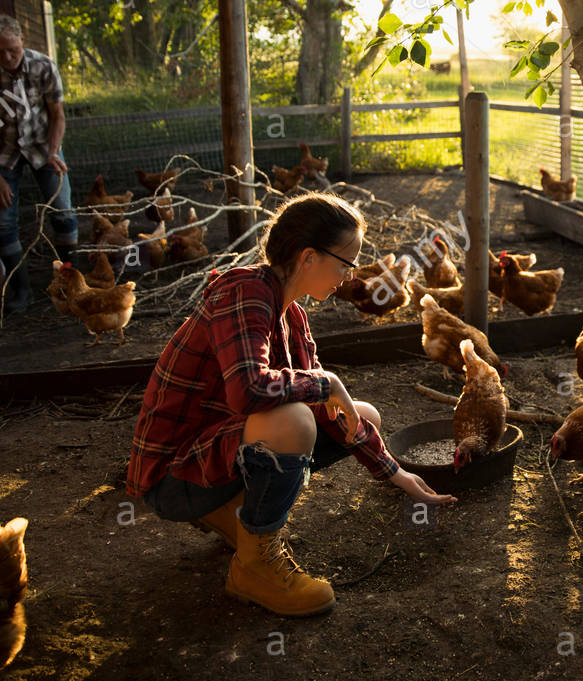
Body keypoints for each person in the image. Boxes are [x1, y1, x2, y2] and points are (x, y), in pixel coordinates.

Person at [126, 192, 454, 617]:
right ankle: (255, 567)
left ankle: (234, 512)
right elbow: (249, 390)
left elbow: (327, 409)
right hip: (174, 477)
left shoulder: (291, 315)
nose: (349, 276)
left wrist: (396, 473)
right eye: (345, 263)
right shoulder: (244, 293)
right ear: (308, 258)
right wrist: (326, 380)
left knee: (358, 414)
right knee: (294, 422)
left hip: (212, 457)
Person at [0, 14, 77, 313]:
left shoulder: (43, 66)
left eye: (12, 48)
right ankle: (21, 290)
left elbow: (58, 116)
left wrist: (54, 152)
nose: (8, 56)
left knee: (64, 211)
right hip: (1, 153)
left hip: (43, 146)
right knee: (2, 222)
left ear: (22, 39)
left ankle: (71, 283)